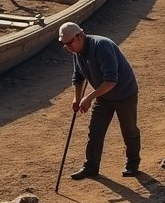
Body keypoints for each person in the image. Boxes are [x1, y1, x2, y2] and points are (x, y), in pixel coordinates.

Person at [59, 21, 141, 180]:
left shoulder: (102, 46)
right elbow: (78, 76)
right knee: (95, 131)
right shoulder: (77, 52)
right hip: (104, 97)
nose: (67, 49)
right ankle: (90, 167)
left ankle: (133, 164)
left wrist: (89, 97)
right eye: (64, 45)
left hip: (125, 94)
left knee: (129, 130)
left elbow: (111, 80)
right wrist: (76, 98)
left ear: (79, 36)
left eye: (69, 44)